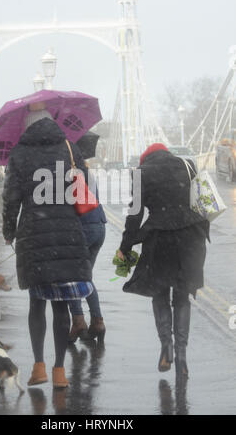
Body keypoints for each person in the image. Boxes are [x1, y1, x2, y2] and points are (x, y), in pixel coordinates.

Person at [2, 105, 93, 388]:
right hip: (67, 231)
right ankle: (59, 371)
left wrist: (9, 230)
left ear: (26, 126)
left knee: (37, 302)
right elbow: (84, 184)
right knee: (63, 305)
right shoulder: (68, 148)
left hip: (34, 234)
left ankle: (38, 366)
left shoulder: (19, 154)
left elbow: (10, 199)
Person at [117, 143, 209, 382]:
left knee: (160, 293)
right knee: (181, 295)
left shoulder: (141, 174)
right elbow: (203, 202)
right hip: (190, 237)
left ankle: (166, 347)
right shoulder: (188, 165)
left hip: (160, 239)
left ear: (145, 159)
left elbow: (135, 215)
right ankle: (182, 356)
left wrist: (126, 246)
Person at [68, 173, 107, 344]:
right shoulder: (84, 170)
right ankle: (97, 321)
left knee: (70, 278)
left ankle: (78, 321)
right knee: (85, 277)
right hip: (98, 226)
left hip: (81, 229)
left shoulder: (63, 172)